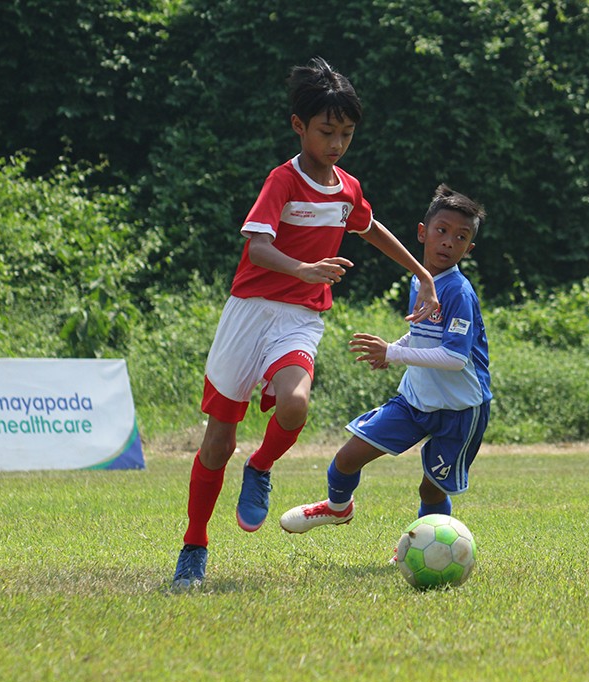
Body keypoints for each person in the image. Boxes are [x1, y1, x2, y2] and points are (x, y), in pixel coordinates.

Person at [172, 58, 439, 589]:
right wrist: (305, 268)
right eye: (327, 131)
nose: (337, 143)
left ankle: (262, 467)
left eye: (346, 133)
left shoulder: (346, 188)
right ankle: (194, 545)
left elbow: (370, 227)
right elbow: (258, 247)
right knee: (216, 444)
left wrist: (423, 273)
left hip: (300, 316)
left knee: (296, 404)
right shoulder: (283, 181)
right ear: (300, 126)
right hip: (249, 312)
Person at [279, 184, 489, 540]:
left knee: (431, 490)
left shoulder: (458, 291)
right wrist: (394, 347)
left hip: (460, 409)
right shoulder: (421, 281)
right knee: (347, 457)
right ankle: (337, 506)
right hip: (415, 401)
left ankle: (427, 545)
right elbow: (423, 336)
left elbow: (454, 358)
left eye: (460, 237)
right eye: (441, 231)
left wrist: (392, 353)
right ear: (422, 233)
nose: (448, 242)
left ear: (468, 249)